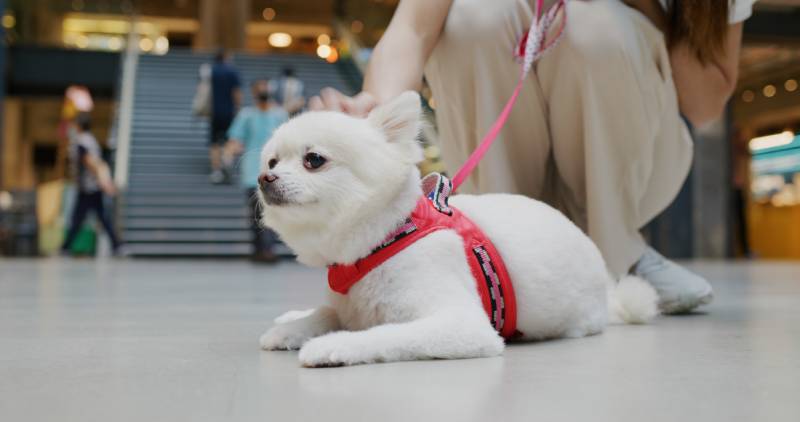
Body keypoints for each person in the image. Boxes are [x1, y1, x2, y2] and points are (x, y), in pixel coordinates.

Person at [308, 0, 757, 314]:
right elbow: (413, 28)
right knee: (473, 15)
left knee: (598, 28)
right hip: (506, 168)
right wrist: (374, 107)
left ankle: (613, 253)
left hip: (643, 159)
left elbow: (703, 104)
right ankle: (500, 254)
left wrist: (645, 6)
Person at [223, 79, 289, 262]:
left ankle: (267, 250)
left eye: (265, 87)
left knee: (272, 213)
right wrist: (227, 157)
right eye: (259, 88)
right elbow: (235, 139)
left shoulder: (280, 114)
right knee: (257, 214)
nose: (263, 91)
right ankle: (261, 251)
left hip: (277, 173)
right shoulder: (246, 115)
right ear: (253, 92)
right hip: (252, 174)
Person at [61, 113, 122, 255]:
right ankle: (117, 246)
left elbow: (90, 163)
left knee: (79, 219)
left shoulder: (82, 142)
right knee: (96, 218)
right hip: (92, 187)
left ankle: (65, 248)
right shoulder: (91, 140)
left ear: (78, 126)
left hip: (88, 188)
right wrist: (105, 182)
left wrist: (104, 183)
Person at [209, 50, 242, 184]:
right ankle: (227, 161)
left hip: (214, 111)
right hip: (229, 111)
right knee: (231, 139)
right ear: (226, 57)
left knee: (215, 141)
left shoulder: (211, 71)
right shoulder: (232, 72)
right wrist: (238, 107)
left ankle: (216, 170)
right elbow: (237, 92)